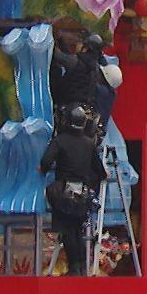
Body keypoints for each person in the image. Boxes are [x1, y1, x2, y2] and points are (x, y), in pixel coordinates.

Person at [39, 104, 104, 276]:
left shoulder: (60, 140)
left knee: (67, 230)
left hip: (63, 192)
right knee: (78, 230)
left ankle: (74, 268)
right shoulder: (89, 144)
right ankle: (81, 267)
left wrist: (42, 170)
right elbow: (101, 172)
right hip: (82, 193)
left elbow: (46, 162)